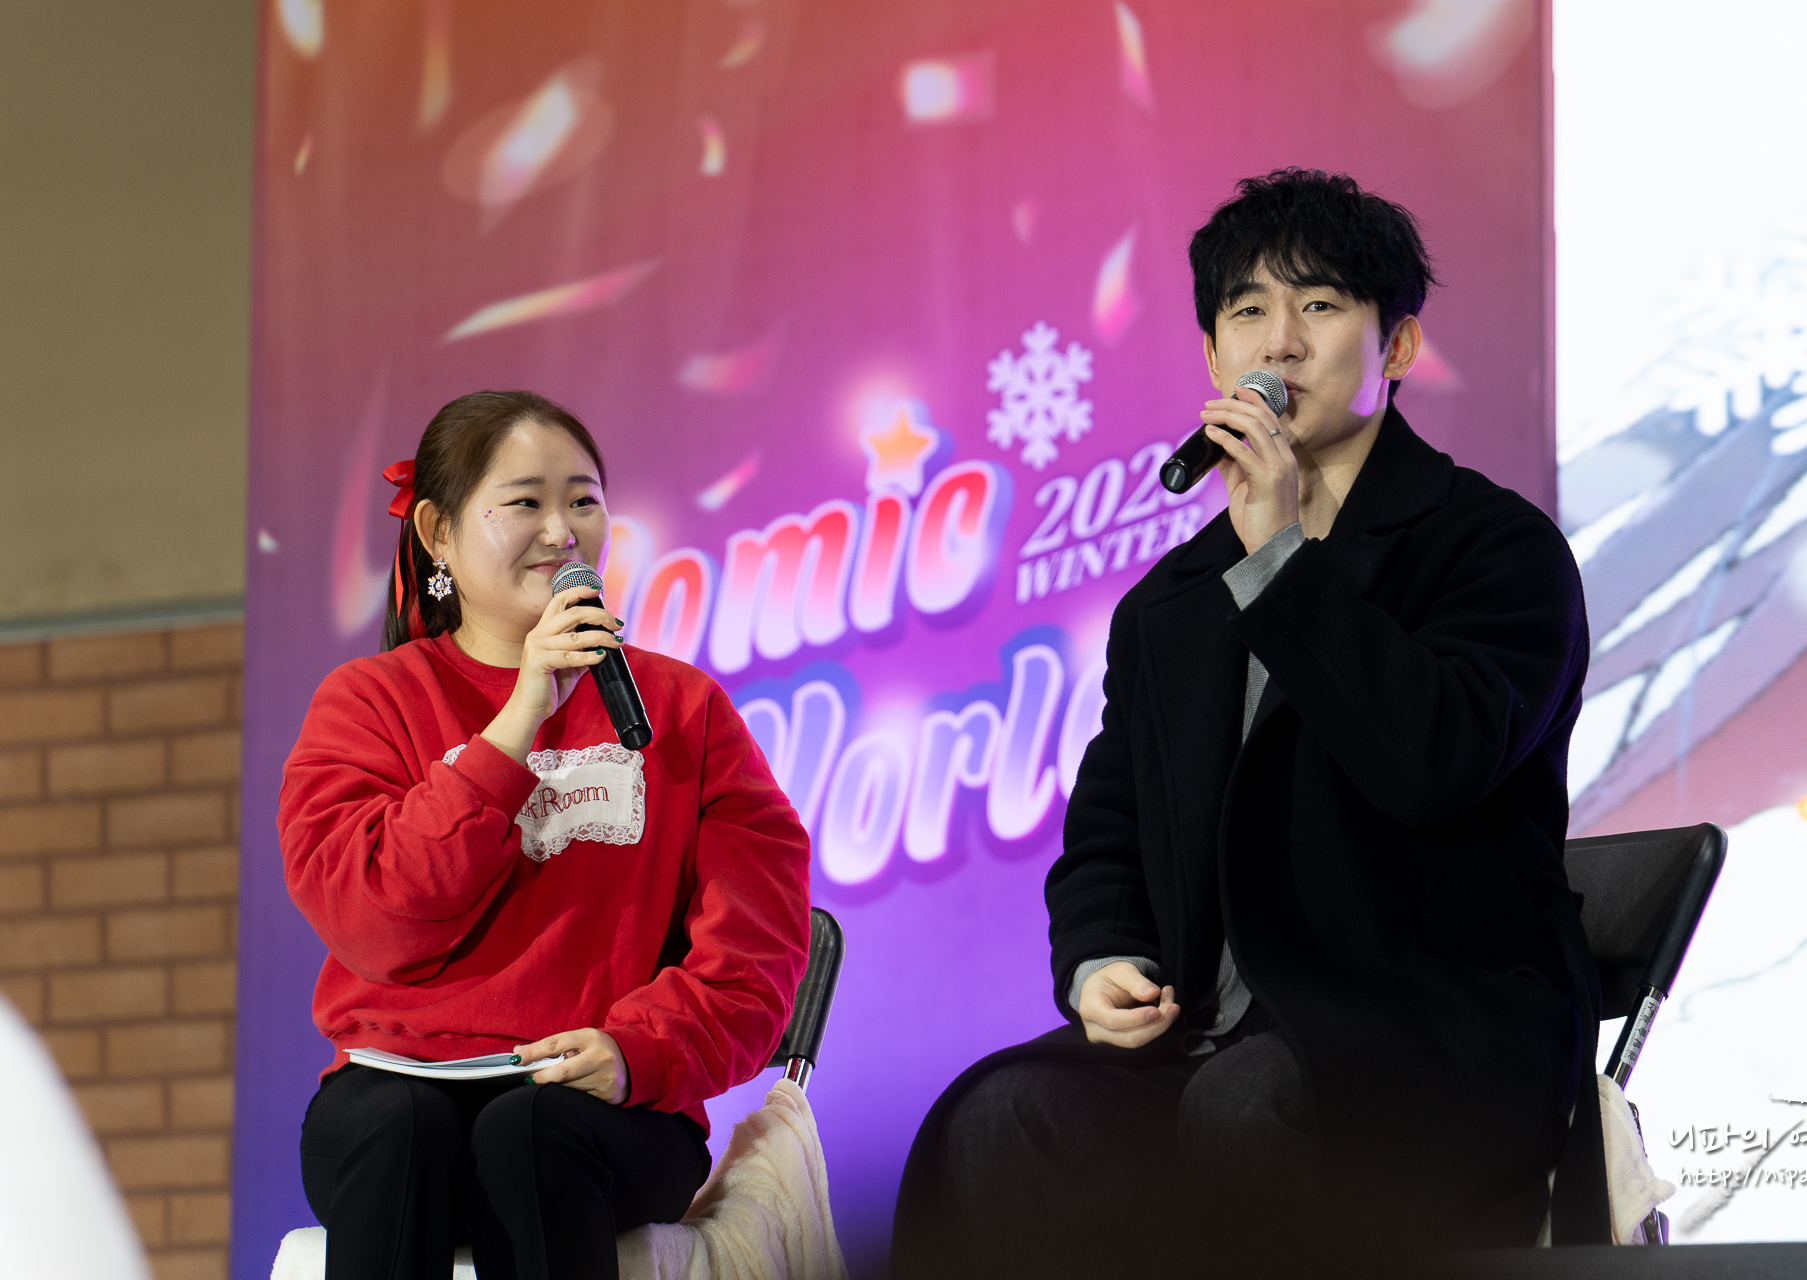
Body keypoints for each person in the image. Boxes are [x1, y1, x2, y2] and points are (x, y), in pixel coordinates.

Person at [891, 170, 1607, 1275]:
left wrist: (1280, 559)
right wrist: (1099, 955)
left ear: (1398, 345)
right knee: (1002, 1117)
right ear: (1215, 359)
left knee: (1246, 1105)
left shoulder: (1494, 547)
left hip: (1426, 1026)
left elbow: (1436, 760)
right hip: (1211, 1033)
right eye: (1248, 311)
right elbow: (1113, 826)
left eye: (1320, 305)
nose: (1281, 342)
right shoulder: (1172, 602)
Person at [280, 390, 811, 1280]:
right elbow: (375, 919)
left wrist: (640, 1050)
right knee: (399, 1129)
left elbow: (757, 948)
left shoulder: (683, 709)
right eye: (525, 502)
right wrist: (519, 718)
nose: (563, 532)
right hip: (397, 1094)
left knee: (529, 1132)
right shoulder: (368, 703)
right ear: (437, 533)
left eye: (584, 501)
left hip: (597, 1104)